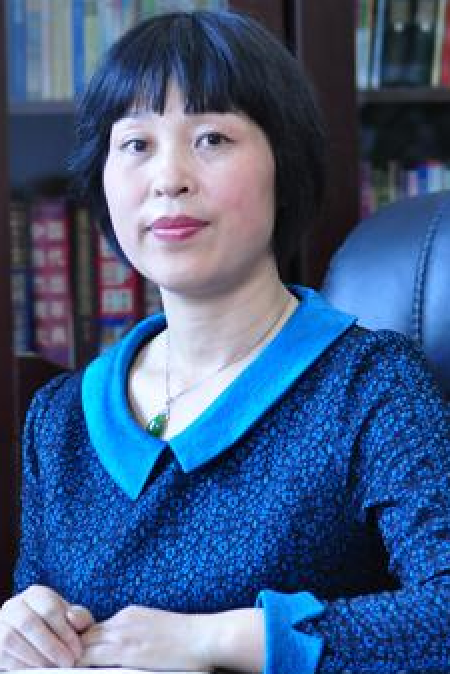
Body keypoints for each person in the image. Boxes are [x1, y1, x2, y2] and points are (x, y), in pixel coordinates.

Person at [1, 8, 449, 674]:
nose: (169, 178)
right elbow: (39, 620)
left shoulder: (370, 385)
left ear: (283, 165)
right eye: (136, 144)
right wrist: (23, 630)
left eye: (211, 138)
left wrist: (215, 639)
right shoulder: (61, 418)